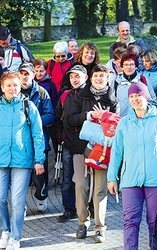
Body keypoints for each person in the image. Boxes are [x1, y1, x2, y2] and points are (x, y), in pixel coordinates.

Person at [107, 82, 157, 250]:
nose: (135, 99)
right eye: (131, 97)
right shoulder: (124, 123)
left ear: (146, 97)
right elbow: (117, 152)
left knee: (155, 222)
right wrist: (112, 178)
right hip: (131, 180)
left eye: (138, 95)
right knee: (130, 221)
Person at [0, 71, 45, 249]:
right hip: (0, 160)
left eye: (15, 85)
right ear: (2, 87)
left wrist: (39, 159)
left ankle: (15, 236)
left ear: (20, 86)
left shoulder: (28, 106)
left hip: (22, 160)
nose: (12, 88)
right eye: (8, 85)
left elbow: (38, 134)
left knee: (17, 201)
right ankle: (5, 231)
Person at [66, 64, 119, 243]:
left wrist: (104, 116)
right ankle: (82, 222)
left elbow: (117, 125)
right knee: (80, 185)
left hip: (102, 150)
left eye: (102, 77)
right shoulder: (80, 97)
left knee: (100, 188)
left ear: (107, 78)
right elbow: (69, 118)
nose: (98, 79)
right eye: (96, 76)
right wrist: (88, 116)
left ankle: (100, 227)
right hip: (81, 148)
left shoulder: (113, 99)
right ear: (90, 78)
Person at [19, 63, 55, 212]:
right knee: (21, 174)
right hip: (20, 141)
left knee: (40, 174)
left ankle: (41, 196)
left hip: (39, 140)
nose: (24, 77)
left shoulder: (41, 92)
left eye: (27, 74)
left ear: (33, 75)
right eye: (21, 74)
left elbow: (50, 115)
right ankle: (21, 203)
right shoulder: (14, 92)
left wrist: (35, 121)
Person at [54, 65, 88, 223]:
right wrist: (61, 136)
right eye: (72, 76)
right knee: (67, 178)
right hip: (68, 141)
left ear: (85, 78)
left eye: (78, 76)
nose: (75, 79)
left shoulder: (89, 94)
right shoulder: (65, 95)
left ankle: (88, 207)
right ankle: (69, 209)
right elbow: (57, 118)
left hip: (86, 142)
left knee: (86, 178)